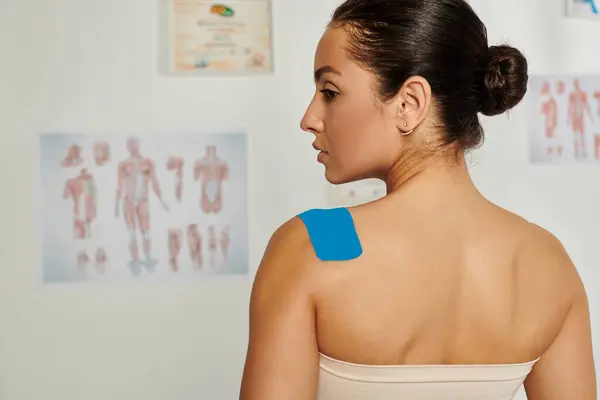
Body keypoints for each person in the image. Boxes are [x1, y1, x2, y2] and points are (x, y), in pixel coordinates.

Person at [239, 0, 597, 399]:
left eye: (330, 91)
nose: (309, 117)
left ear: (409, 103)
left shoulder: (312, 244)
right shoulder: (544, 261)